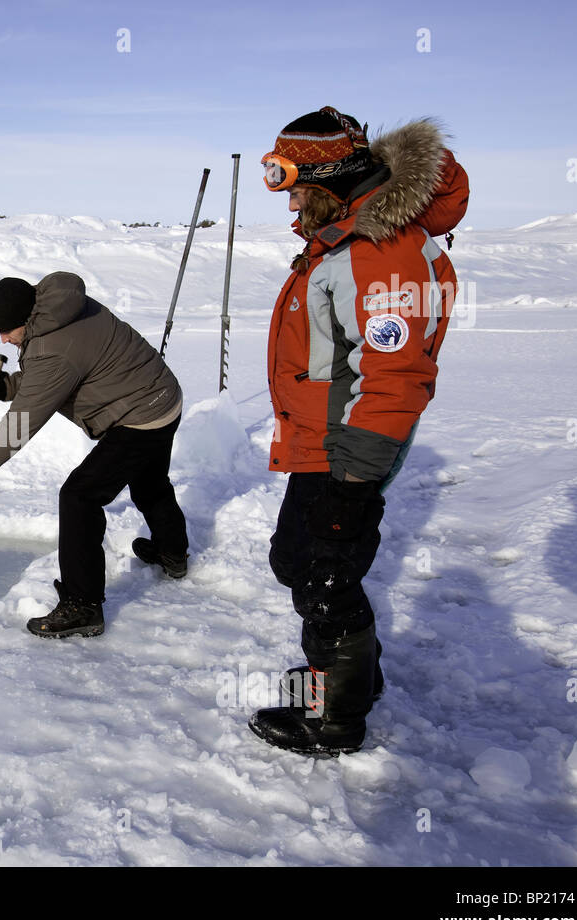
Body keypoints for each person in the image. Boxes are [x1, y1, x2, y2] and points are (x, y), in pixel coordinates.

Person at [249, 107, 469, 756]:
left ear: (328, 180)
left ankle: (336, 719)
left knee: (322, 574)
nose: (287, 197)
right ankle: (345, 680)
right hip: (325, 436)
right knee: (306, 562)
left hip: (347, 444)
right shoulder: (347, 239)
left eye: (292, 182)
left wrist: (352, 485)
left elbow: (394, 376)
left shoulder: (381, 251)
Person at [0, 271, 189, 638]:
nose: (3, 339)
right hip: (162, 396)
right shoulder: (61, 309)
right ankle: (173, 553)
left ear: (26, 319)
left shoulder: (54, 348)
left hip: (139, 416)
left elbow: (19, 426)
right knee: (149, 482)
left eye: (7, 330)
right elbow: (55, 372)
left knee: (79, 497)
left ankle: (83, 605)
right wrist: (9, 386)